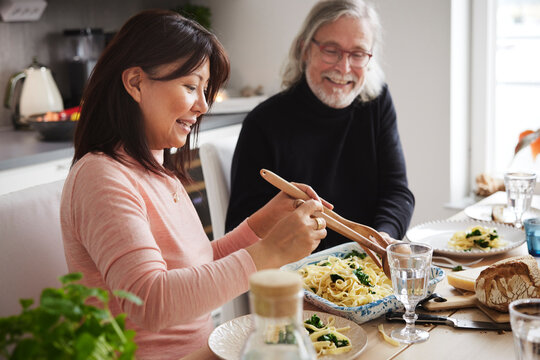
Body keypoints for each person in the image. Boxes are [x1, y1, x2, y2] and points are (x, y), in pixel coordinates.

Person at [60, 10, 329, 360]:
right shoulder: (102, 176)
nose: (202, 105)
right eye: (190, 86)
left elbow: (195, 269)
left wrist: (263, 225)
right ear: (135, 83)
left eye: (205, 90)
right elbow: (149, 302)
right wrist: (270, 253)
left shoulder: (157, 168)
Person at [226, 0, 414, 251]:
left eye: (357, 54)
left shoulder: (376, 103)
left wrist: (382, 239)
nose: (343, 67)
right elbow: (241, 230)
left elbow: (396, 191)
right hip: (292, 273)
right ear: (305, 50)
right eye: (331, 50)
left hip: (366, 263)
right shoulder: (263, 123)